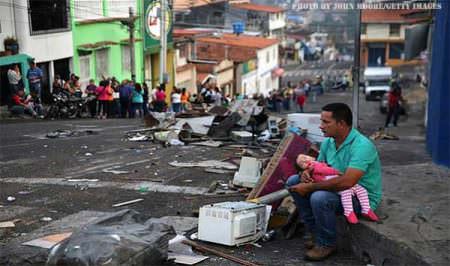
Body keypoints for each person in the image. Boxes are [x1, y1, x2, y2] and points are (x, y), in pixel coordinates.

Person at [286, 103, 382, 261]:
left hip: (359, 196)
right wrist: (306, 174)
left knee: (319, 197)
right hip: (336, 189)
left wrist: (310, 186)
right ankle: (315, 232)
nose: (321, 126)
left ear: (341, 123)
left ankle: (326, 243)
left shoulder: (362, 146)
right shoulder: (328, 143)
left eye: (326, 122)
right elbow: (319, 168)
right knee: (293, 182)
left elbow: (348, 181)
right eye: (321, 121)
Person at [297, 154, 379, 224]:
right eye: (303, 161)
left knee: (361, 190)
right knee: (345, 191)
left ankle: (366, 209)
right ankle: (348, 211)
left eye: (305, 157)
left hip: (340, 181)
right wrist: (336, 172)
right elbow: (325, 170)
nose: (306, 159)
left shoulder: (316, 164)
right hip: (331, 181)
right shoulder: (314, 166)